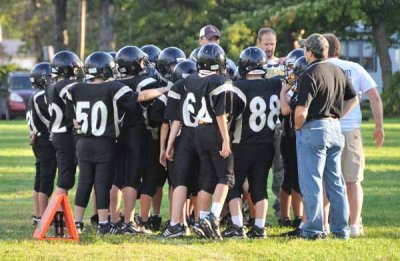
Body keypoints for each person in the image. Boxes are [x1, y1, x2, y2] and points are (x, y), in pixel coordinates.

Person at [67, 51, 169, 235]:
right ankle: (124, 222)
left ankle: (85, 222)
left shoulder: (76, 88)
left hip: (91, 141)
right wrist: (164, 89)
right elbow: (142, 97)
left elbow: (70, 111)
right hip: (118, 139)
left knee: (95, 181)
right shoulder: (114, 87)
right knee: (122, 179)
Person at [294, 33, 358, 239]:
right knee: (335, 183)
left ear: (309, 53)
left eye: (305, 49)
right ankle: (341, 229)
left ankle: (313, 229)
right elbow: (354, 98)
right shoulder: (338, 71)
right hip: (334, 128)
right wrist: (339, 117)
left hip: (314, 128)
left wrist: (297, 127)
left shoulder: (309, 73)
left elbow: (301, 111)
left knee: (312, 182)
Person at [323, 33, 384, 237]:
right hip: (350, 129)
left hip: (326, 127)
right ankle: (355, 224)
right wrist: (379, 126)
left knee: (325, 180)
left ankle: (324, 224)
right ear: (338, 48)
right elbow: (374, 96)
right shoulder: (355, 68)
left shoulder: (319, 68)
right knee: (353, 179)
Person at [223, 46, 282, 238]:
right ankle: (259, 227)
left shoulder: (239, 86)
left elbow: (230, 116)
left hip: (242, 144)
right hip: (267, 145)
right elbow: (290, 80)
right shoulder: (275, 84)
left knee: (234, 185)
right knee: (259, 186)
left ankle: (238, 226)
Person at [182, 43, 233, 240]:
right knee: (226, 176)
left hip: (198, 131)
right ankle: (212, 218)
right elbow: (221, 114)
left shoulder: (191, 80)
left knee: (207, 179)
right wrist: (226, 140)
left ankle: (202, 222)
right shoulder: (221, 81)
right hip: (214, 129)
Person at [257, 27, 285, 219]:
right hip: (257, 123)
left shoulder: (282, 65)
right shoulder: (250, 63)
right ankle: (249, 210)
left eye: (272, 43)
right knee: (255, 168)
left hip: (278, 122)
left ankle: (281, 208)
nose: (269, 47)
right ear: (258, 43)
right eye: (266, 43)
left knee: (280, 168)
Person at [47, 51, 82, 196]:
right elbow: (77, 97)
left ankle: (59, 215)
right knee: (65, 179)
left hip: (58, 133)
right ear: (67, 69)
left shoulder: (52, 86)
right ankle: (57, 215)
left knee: (65, 178)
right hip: (65, 134)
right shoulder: (64, 85)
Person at [26, 62, 57, 225]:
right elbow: (51, 119)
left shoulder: (33, 95)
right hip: (46, 140)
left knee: (39, 178)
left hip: (38, 139)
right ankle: (44, 217)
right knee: (46, 179)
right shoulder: (41, 96)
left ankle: (39, 215)